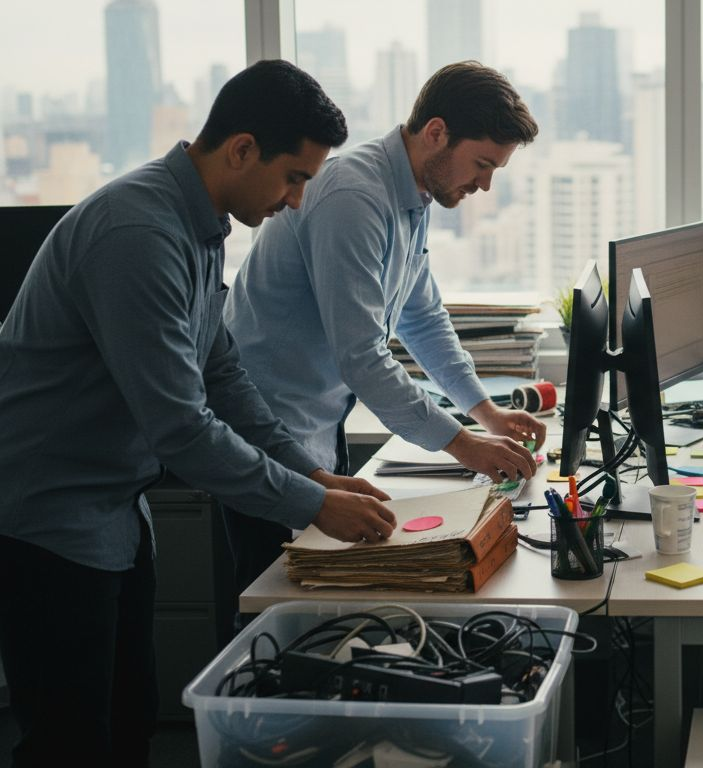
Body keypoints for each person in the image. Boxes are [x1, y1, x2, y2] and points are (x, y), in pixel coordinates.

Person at [0, 60, 396, 766]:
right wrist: (312, 504)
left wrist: (312, 474)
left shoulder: (200, 226)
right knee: (70, 742)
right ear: (242, 149)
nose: (297, 201)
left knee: (130, 724)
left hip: (115, 515)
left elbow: (222, 376)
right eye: (294, 177)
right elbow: (182, 426)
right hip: (48, 520)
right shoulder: (137, 233)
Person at [221, 60, 546, 605]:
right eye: (482, 164)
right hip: (269, 433)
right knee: (276, 607)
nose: (485, 184)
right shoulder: (355, 197)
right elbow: (363, 356)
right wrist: (464, 445)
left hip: (317, 424)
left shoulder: (412, 196)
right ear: (436, 133)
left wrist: (484, 411)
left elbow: (422, 316)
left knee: (324, 600)